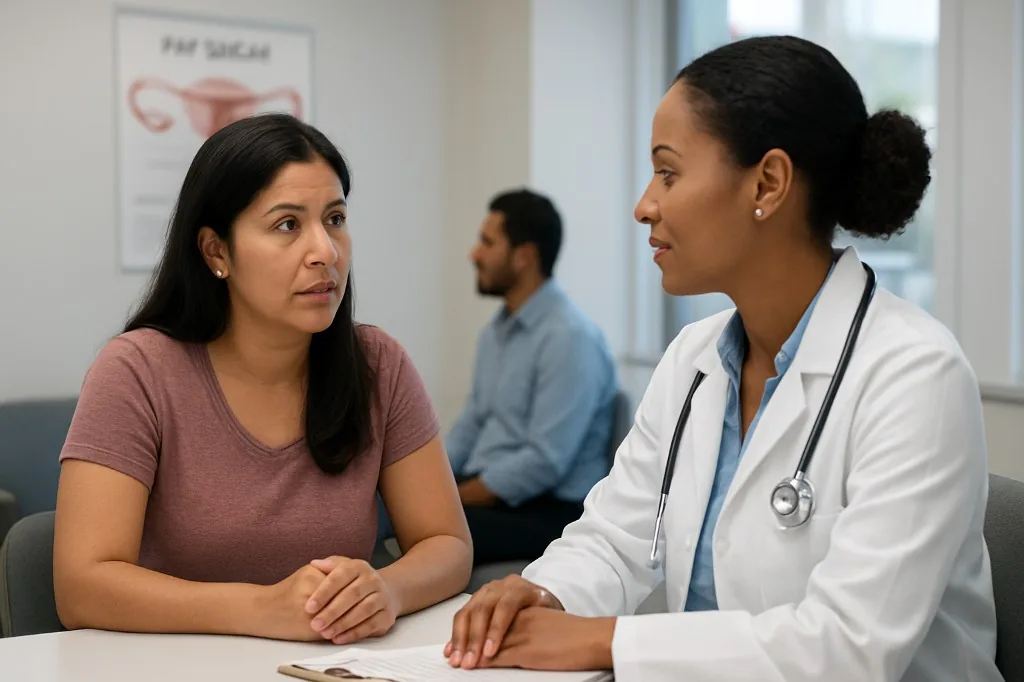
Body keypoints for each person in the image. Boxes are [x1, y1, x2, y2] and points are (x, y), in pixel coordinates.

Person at [445, 36, 1002, 682]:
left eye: (669, 173)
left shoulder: (915, 377)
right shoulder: (693, 360)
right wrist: (545, 594)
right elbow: (615, 538)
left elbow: (848, 649)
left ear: (767, 183)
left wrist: (605, 641)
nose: (644, 204)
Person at [53, 114, 472, 644]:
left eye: (336, 218)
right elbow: (81, 586)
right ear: (217, 252)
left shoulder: (378, 364)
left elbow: (447, 544)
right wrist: (259, 608)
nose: (325, 251)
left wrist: (386, 590)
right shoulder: (136, 371)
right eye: (287, 225)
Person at [447, 189, 618, 565]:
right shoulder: (495, 333)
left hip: (550, 509)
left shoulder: (569, 338)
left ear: (524, 257)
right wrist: (432, 479)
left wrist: (452, 498)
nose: (474, 254)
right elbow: (471, 423)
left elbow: (545, 461)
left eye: (487, 243)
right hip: (491, 492)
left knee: (432, 530)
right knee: (390, 509)